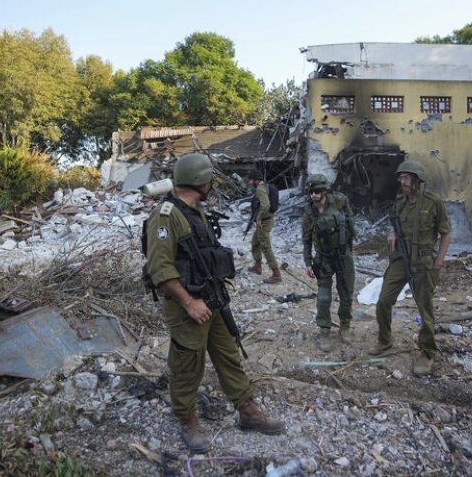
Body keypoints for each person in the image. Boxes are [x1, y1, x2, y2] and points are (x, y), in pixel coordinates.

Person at [144, 153, 285, 453]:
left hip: (211, 298)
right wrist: (188, 303)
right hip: (187, 305)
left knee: (227, 354)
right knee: (187, 364)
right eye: (209, 179)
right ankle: (187, 420)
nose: (211, 184)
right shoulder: (166, 215)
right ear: (200, 182)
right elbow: (160, 268)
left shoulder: (195, 212)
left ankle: (247, 411)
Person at [370, 160, 451, 376]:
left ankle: (427, 352)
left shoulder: (433, 202)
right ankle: (385, 339)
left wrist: (439, 261)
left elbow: (445, 232)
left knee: (425, 311)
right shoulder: (400, 203)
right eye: (400, 178)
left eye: (405, 178)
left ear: (416, 180)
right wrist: (393, 234)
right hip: (401, 259)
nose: (401, 181)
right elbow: (398, 227)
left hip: (424, 263)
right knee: (384, 301)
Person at [302, 174, 356, 352]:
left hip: (343, 256)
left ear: (325, 190)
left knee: (346, 293)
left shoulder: (339, 202)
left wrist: (347, 239)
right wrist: (308, 262)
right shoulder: (309, 211)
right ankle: (324, 330)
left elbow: (350, 223)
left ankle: (345, 326)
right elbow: (306, 239)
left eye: (317, 191)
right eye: (311, 192)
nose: (313, 195)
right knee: (324, 297)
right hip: (323, 258)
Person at [246, 168, 281, 284]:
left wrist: (259, 218)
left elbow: (265, 205)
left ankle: (276, 274)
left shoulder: (260, 189)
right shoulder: (265, 187)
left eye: (251, 180)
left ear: (256, 180)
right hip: (265, 220)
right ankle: (257, 266)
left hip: (264, 222)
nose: (250, 183)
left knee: (265, 246)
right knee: (255, 243)